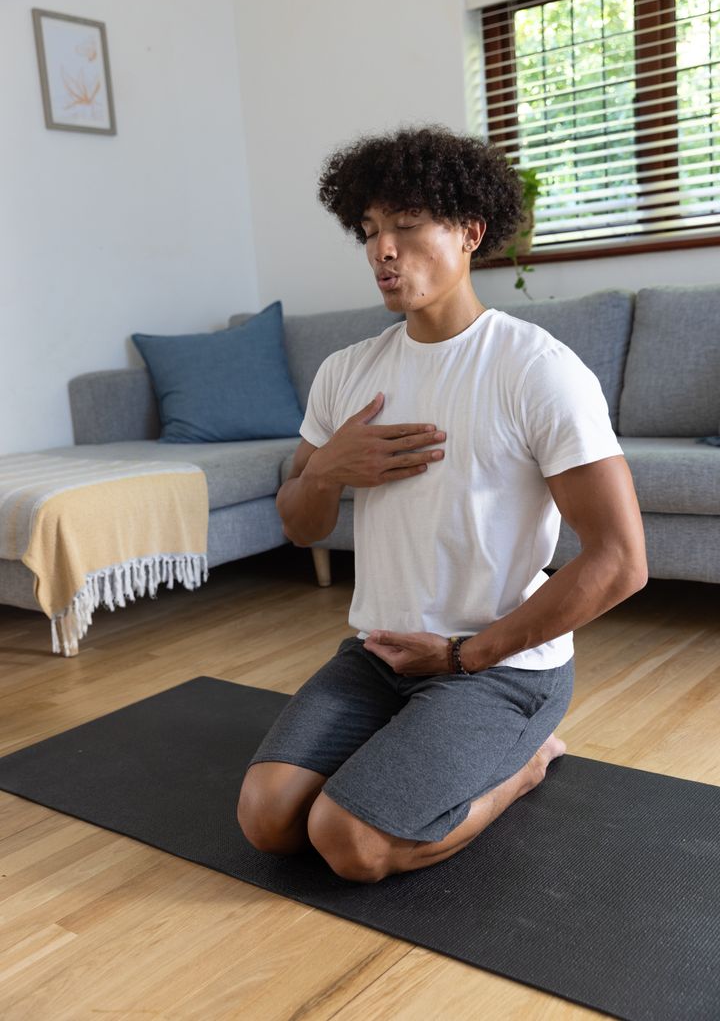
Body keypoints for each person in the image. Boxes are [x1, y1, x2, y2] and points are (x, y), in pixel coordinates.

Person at [237, 124, 648, 883]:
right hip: (379, 655)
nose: (381, 250)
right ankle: (418, 743)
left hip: (500, 667)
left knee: (349, 843)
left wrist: (465, 655)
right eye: (369, 231)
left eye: (404, 226)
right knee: (267, 819)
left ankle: (524, 767)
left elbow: (622, 563)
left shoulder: (539, 371)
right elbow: (302, 525)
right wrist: (326, 470)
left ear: (468, 231)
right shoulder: (345, 372)